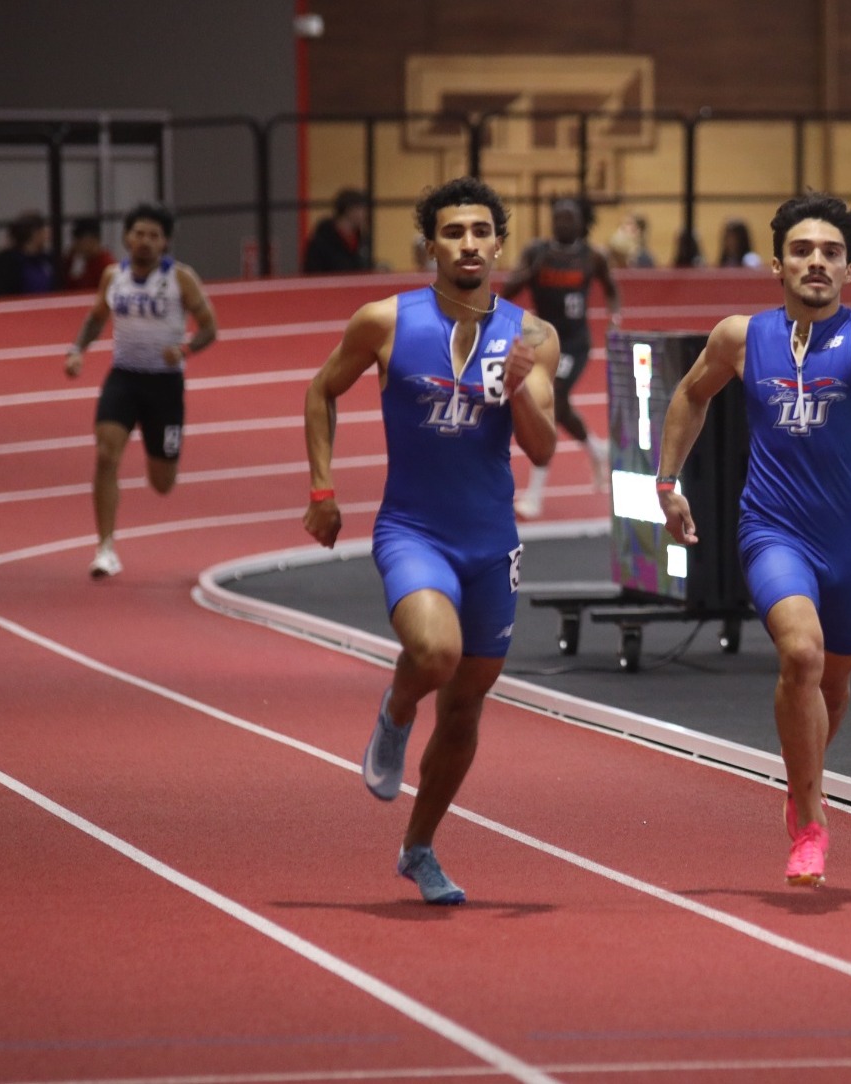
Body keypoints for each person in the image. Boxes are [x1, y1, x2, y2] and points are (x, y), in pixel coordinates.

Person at [656, 194, 851, 886]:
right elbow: (691, 394)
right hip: (771, 530)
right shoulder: (740, 336)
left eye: (828, 253)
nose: (814, 262)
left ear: (849, 268)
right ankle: (813, 817)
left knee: (835, 685)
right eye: (801, 251)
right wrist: (667, 481)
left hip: (849, 542)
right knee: (801, 654)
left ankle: (799, 791)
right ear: (776, 264)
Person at [302, 177, 558, 906]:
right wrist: (322, 491)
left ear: (499, 243)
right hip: (413, 529)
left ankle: (419, 848)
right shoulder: (384, 321)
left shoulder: (531, 336)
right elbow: (321, 390)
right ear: (431, 245)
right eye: (453, 233)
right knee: (435, 655)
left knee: (468, 704)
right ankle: (395, 709)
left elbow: (539, 451)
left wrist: (516, 388)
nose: (469, 244)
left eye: (481, 231)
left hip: (490, 542)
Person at [63, 204, 219, 578]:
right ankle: (105, 548)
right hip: (124, 378)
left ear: (165, 242)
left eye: (154, 236)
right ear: (126, 237)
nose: (145, 242)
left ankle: (162, 456)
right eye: (139, 234)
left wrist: (184, 349)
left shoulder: (181, 278)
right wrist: (77, 350)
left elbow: (210, 328)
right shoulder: (111, 277)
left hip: (165, 385)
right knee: (105, 454)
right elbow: (96, 317)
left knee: (162, 482)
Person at [501, 196, 621, 518]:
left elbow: (610, 288)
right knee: (560, 405)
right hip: (543, 340)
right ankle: (596, 448)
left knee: (552, 403)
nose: (563, 224)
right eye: (558, 218)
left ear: (582, 222)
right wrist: (530, 273)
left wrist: (615, 318)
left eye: (570, 218)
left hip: (574, 343)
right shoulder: (536, 252)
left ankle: (534, 496)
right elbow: (507, 292)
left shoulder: (593, 256)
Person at [303, 188, 374, 274]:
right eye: (361, 209)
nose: (365, 214)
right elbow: (312, 273)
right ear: (349, 210)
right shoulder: (320, 242)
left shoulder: (362, 240)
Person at [0, 211, 57, 297]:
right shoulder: (6, 261)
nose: (47, 235)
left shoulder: (48, 259)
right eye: (43, 230)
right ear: (34, 233)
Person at [62, 219, 114, 291]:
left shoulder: (107, 264)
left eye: (79, 240)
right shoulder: (74, 259)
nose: (75, 244)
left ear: (91, 239)